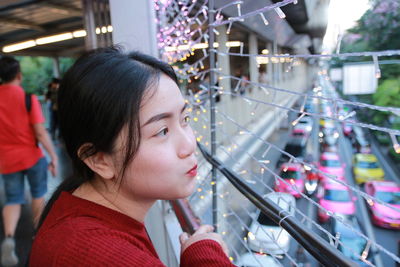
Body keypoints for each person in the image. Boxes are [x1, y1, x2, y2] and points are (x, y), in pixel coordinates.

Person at [29, 47, 234, 266]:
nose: (189, 144)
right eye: (162, 131)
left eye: (185, 119)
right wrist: (206, 256)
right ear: (99, 160)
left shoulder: (78, 214)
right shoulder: (99, 254)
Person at [0, 56, 58, 266]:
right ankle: (38, 234)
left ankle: (8, 237)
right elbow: (41, 133)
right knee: (38, 195)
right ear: (19, 75)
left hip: (7, 159)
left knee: (13, 199)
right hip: (31, 156)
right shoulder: (27, 98)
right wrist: (52, 156)